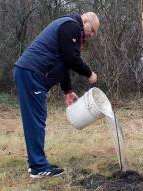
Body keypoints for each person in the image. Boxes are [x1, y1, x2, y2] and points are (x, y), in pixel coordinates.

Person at [13, 12, 100, 178]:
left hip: (29, 73)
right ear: (86, 20)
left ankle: (36, 163)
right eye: (93, 30)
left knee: (36, 118)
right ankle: (38, 167)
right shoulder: (72, 26)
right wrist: (89, 73)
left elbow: (65, 62)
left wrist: (67, 91)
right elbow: (72, 58)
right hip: (31, 72)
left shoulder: (69, 27)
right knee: (36, 119)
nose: (92, 34)